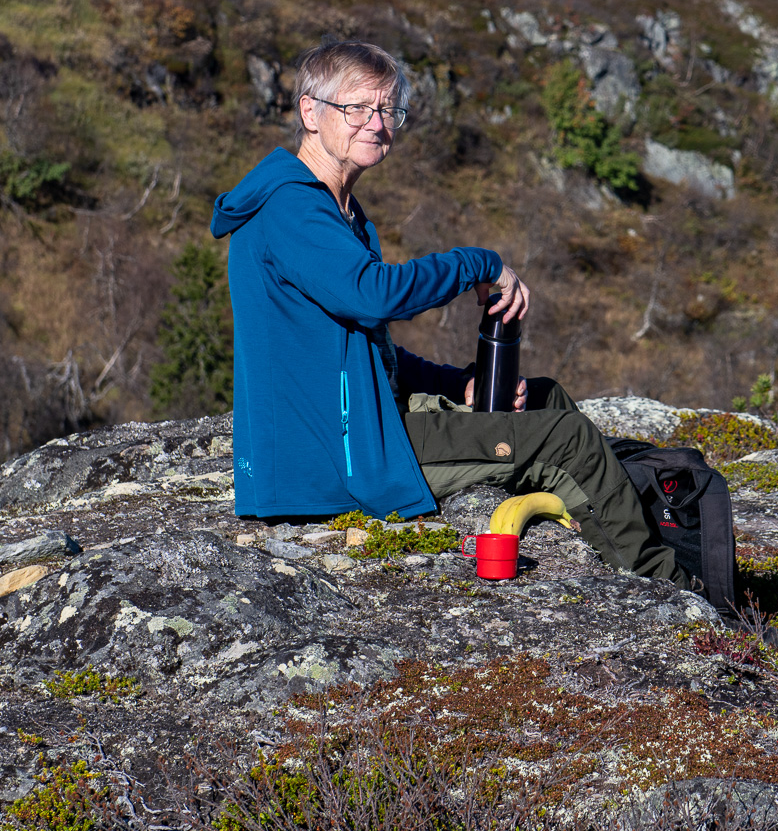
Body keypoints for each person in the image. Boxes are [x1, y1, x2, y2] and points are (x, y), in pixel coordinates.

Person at [210, 40, 687, 587]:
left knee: (543, 397)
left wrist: (456, 383)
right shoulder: (290, 207)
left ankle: (607, 527)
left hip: (360, 425)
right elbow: (374, 295)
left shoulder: (337, 208)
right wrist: (476, 264)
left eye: (389, 109)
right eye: (358, 108)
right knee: (566, 438)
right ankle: (668, 588)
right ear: (310, 113)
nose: (376, 123)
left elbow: (362, 344)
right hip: (332, 459)